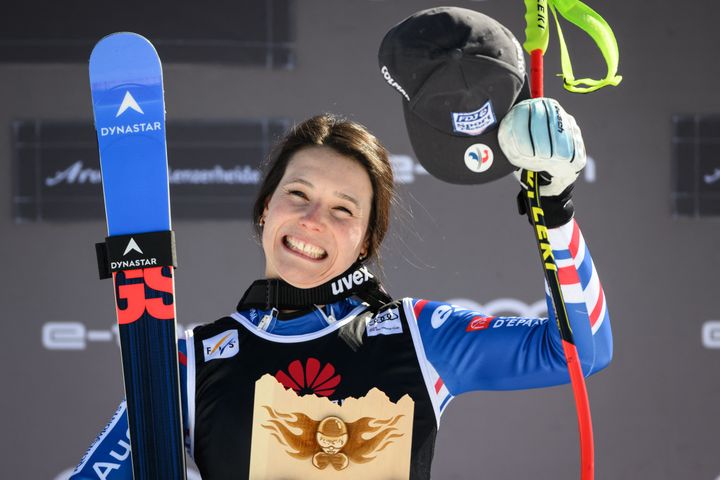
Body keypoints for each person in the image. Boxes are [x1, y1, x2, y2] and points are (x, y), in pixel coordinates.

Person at [70, 104, 612, 479]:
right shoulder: (191, 364)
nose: (311, 220)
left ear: (365, 241)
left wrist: (556, 213)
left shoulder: (416, 337)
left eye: (342, 210)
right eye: (298, 194)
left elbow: (579, 351)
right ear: (265, 209)